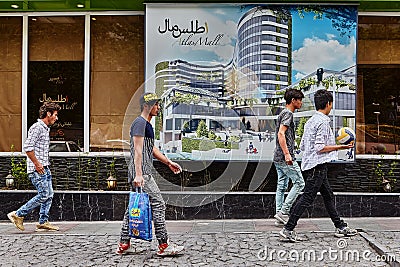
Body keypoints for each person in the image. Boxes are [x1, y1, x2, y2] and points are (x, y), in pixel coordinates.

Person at [280, 89, 357, 242]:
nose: (331, 106)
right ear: (328, 104)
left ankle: (340, 226)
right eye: (331, 104)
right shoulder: (322, 122)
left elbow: (303, 145)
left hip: (313, 165)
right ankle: (288, 228)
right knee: (307, 198)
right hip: (317, 167)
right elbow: (320, 147)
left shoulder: (310, 121)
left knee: (328, 195)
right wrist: (341, 147)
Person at [116, 92, 184, 256]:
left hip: (141, 172)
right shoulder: (139, 123)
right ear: (146, 106)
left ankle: (124, 244)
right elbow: (138, 151)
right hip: (142, 173)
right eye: (155, 105)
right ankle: (164, 245)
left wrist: (168, 162)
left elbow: (150, 148)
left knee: (133, 207)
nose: (158, 108)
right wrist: (139, 175)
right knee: (159, 204)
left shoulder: (146, 124)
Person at [8, 102, 61, 232]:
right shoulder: (37, 127)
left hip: (44, 167)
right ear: (48, 114)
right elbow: (28, 147)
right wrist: (37, 164)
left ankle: (43, 222)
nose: (56, 118)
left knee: (49, 195)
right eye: (55, 115)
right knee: (44, 194)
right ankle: (18, 214)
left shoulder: (45, 128)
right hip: (37, 169)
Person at [273, 89, 305, 226]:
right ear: (293, 100)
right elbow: (281, 134)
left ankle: (279, 216)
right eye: (300, 100)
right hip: (285, 157)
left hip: (277, 157)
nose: (301, 103)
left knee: (282, 186)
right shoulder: (288, 114)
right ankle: (283, 212)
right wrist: (287, 154)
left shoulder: (282, 113)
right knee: (300, 183)